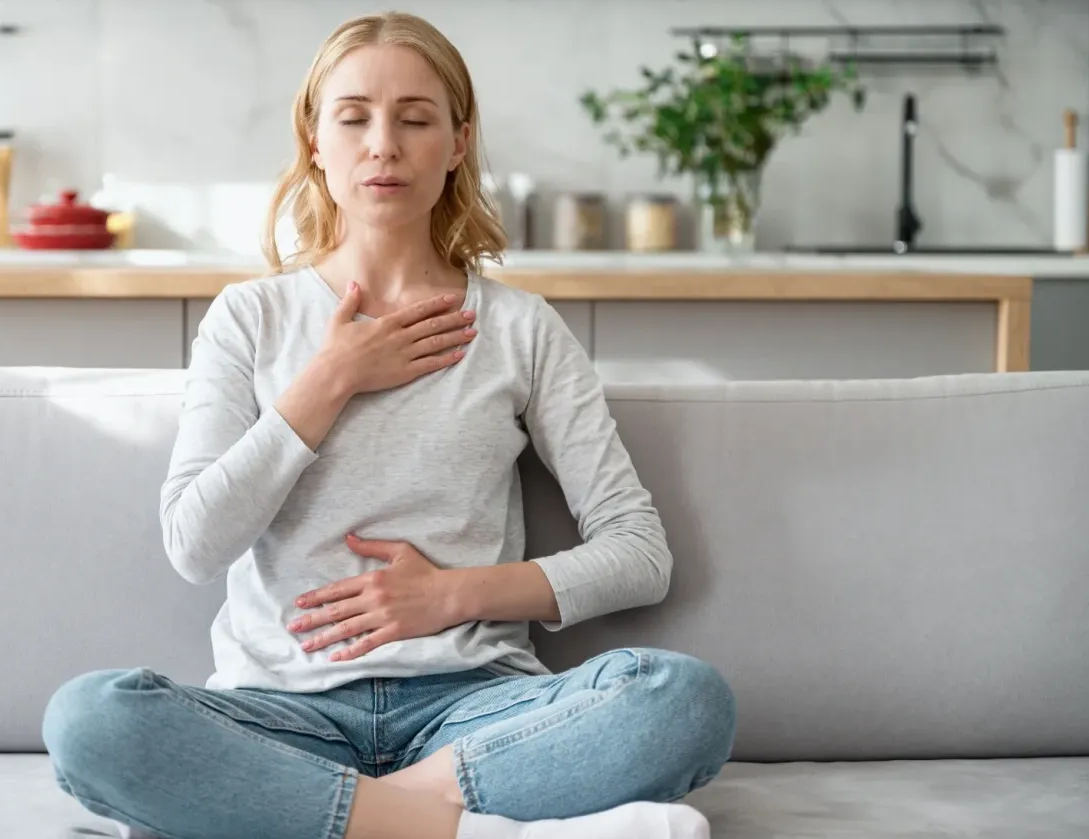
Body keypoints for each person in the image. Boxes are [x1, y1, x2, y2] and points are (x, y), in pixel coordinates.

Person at [41, 10, 735, 839]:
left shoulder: (520, 329)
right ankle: (460, 827)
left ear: (456, 143)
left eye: (416, 119)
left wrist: (449, 595)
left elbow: (638, 552)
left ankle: (339, 818)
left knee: (684, 699)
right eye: (355, 117)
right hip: (281, 715)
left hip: (473, 709)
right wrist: (329, 381)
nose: (384, 144)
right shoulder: (249, 319)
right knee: (90, 720)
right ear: (314, 139)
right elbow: (194, 542)